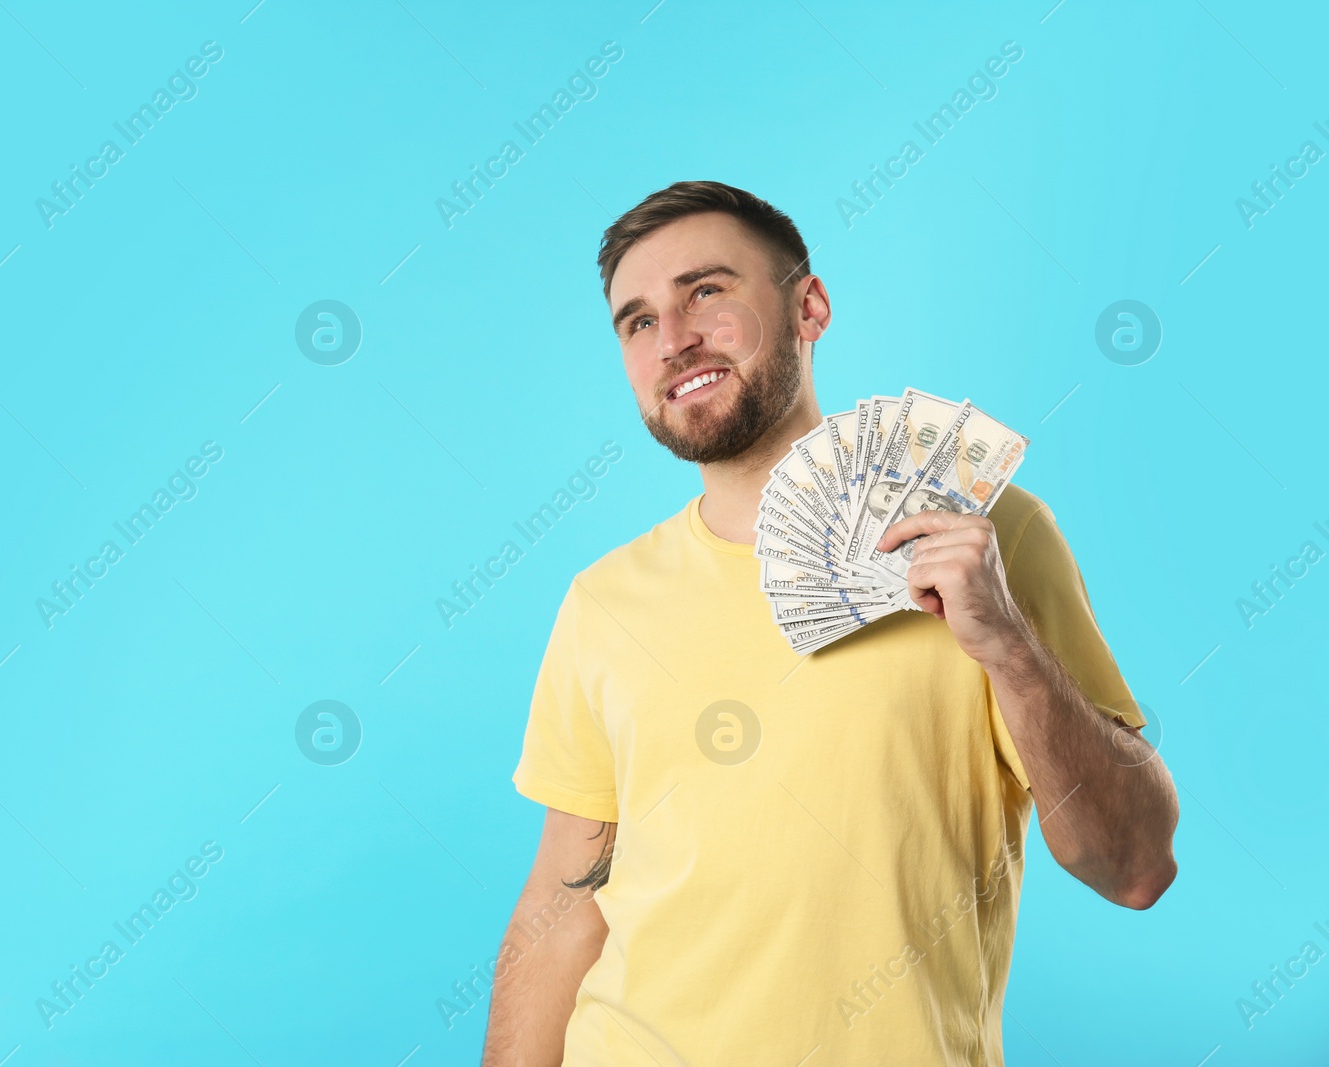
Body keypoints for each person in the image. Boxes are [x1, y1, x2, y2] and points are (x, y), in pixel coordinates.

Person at [480, 181, 1178, 1066]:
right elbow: (564, 907)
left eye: (707, 290)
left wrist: (1006, 641)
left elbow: (1135, 866)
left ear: (809, 305)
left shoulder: (990, 538)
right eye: (637, 320)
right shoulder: (604, 601)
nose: (674, 338)